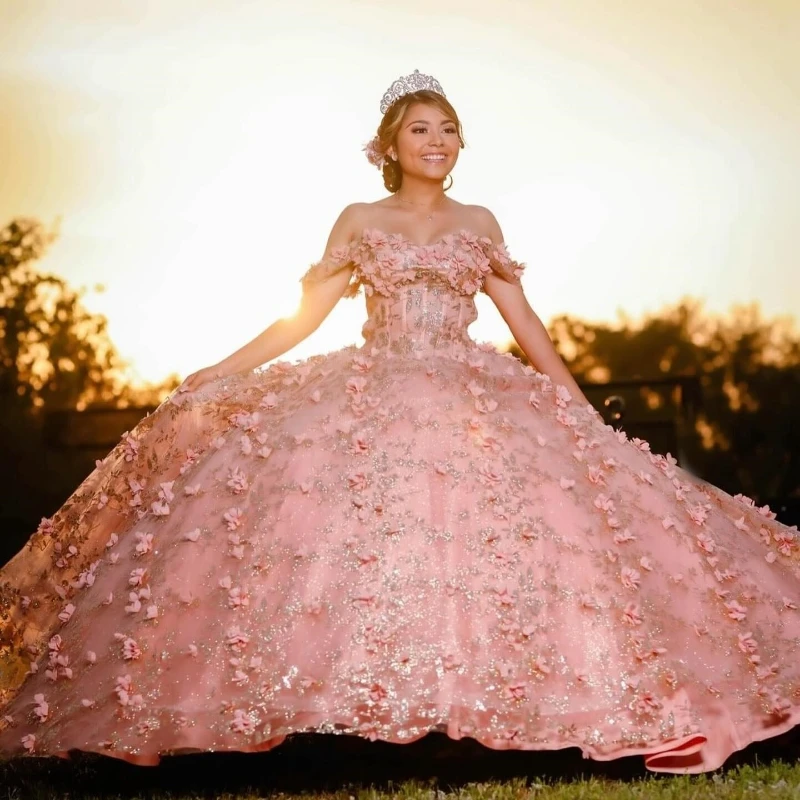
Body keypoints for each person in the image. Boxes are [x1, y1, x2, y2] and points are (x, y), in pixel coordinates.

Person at [0, 69, 798, 774]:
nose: (438, 141)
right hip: (374, 387)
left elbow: (526, 324)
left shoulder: (480, 222)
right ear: (389, 143)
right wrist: (224, 368)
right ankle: (354, 707)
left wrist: (578, 411)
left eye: (449, 129)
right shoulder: (357, 217)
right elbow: (302, 319)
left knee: (513, 531)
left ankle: (477, 705)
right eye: (421, 129)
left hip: (469, 389)